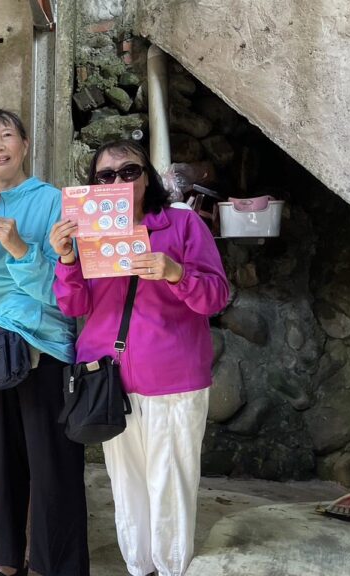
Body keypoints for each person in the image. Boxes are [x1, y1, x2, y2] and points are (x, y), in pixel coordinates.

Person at [50, 139, 229, 576]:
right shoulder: (87, 233)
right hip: (109, 380)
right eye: (105, 176)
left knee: (170, 483)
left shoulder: (182, 225)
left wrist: (177, 274)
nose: (118, 181)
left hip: (173, 378)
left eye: (129, 171)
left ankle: (170, 568)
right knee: (127, 484)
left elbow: (216, 297)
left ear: (146, 176)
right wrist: (67, 257)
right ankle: (137, 566)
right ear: (94, 185)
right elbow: (74, 306)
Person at [0, 110, 89, 576]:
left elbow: (65, 289)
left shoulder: (52, 201)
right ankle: (6, 561)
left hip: (40, 349)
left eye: (7, 135)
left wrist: (21, 248)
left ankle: (56, 567)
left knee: (52, 468)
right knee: (0, 465)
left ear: (25, 145)